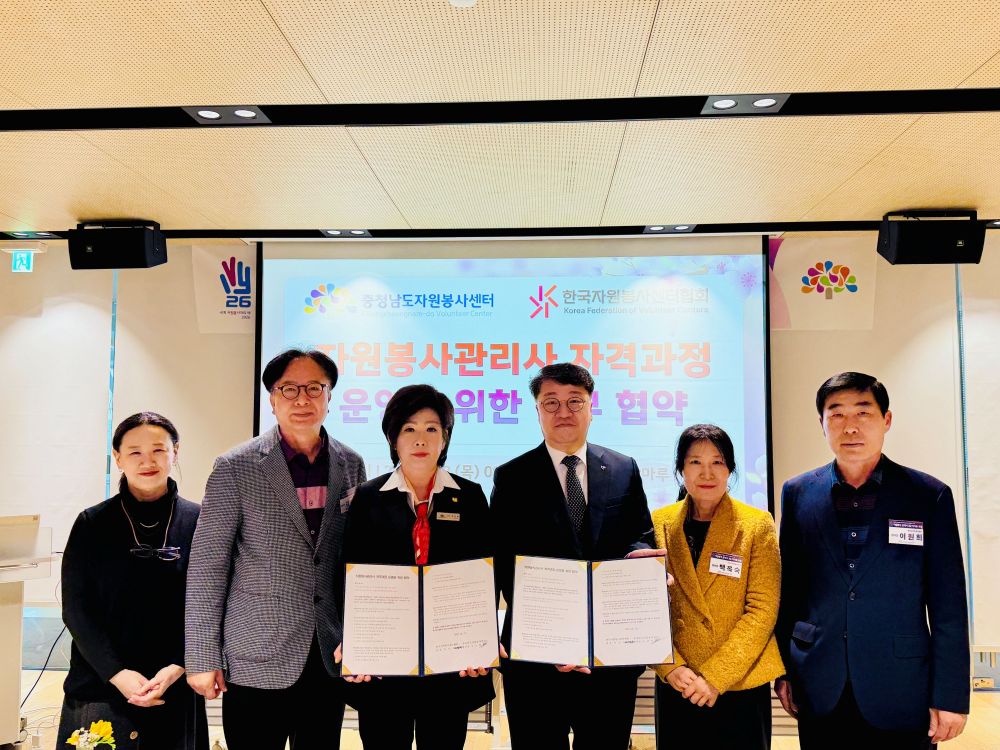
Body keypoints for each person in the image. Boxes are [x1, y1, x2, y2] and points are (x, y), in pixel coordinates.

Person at [775, 372, 970, 748]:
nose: (850, 427)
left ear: (886, 420)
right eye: (836, 414)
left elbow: (949, 605)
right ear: (821, 423)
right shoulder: (798, 493)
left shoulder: (927, 496)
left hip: (902, 686)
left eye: (863, 412)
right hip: (819, 684)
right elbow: (791, 591)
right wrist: (783, 671)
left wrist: (950, 696)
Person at [185, 348, 366, 750]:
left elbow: (353, 560)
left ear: (330, 396)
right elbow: (207, 566)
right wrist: (202, 657)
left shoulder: (350, 463)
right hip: (256, 653)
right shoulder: (235, 466)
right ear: (272, 398)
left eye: (314, 388)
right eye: (289, 389)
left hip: (327, 653)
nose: (302, 399)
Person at [491, 362, 656, 749]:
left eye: (574, 401)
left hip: (609, 654)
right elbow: (498, 560)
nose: (563, 411)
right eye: (551, 402)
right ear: (537, 410)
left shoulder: (623, 468)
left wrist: (642, 564)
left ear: (591, 406)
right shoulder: (512, 476)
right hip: (536, 655)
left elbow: (640, 536)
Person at [339, 384, 495, 748]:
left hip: (451, 666)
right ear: (393, 439)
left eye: (431, 428)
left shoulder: (470, 496)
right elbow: (349, 576)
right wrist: (354, 641)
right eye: (409, 428)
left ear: (445, 438)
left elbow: (485, 576)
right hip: (383, 666)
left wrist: (481, 642)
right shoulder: (368, 497)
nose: (420, 439)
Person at [59, 412, 208, 750]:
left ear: (175, 453)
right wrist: (118, 674)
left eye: (158, 450)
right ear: (118, 458)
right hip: (101, 682)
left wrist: (178, 666)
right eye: (135, 452)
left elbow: (209, 605)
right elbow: (77, 609)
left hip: (174, 683)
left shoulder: (199, 521)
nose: (147, 461)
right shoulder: (92, 523)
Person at [651, 424, 783, 750]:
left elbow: (762, 610)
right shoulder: (658, 523)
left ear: (730, 469)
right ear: (681, 469)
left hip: (738, 683)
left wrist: (714, 677)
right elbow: (646, 606)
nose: (706, 473)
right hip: (678, 683)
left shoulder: (756, 525)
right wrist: (669, 667)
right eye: (695, 462)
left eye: (717, 462)